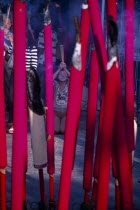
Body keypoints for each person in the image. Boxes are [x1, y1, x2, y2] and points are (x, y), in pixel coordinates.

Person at [3, 14, 14, 133]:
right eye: (4, 23)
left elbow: (15, 47)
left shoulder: (12, 36)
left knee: (10, 95)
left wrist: (8, 36)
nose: (6, 25)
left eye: (8, 23)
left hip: (8, 67)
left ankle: (10, 120)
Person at [53, 62, 70, 134]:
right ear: (57, 76)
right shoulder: (56, 84)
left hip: (65, 112)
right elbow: (50, 79)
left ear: (67, 77)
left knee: (63, 131)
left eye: (64, 74)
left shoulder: (69, 85)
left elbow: (75, 78)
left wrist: (65, 68)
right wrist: (59, 69)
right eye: (60, 74)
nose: (62, 75)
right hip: (56, 111)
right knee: (56, 130)